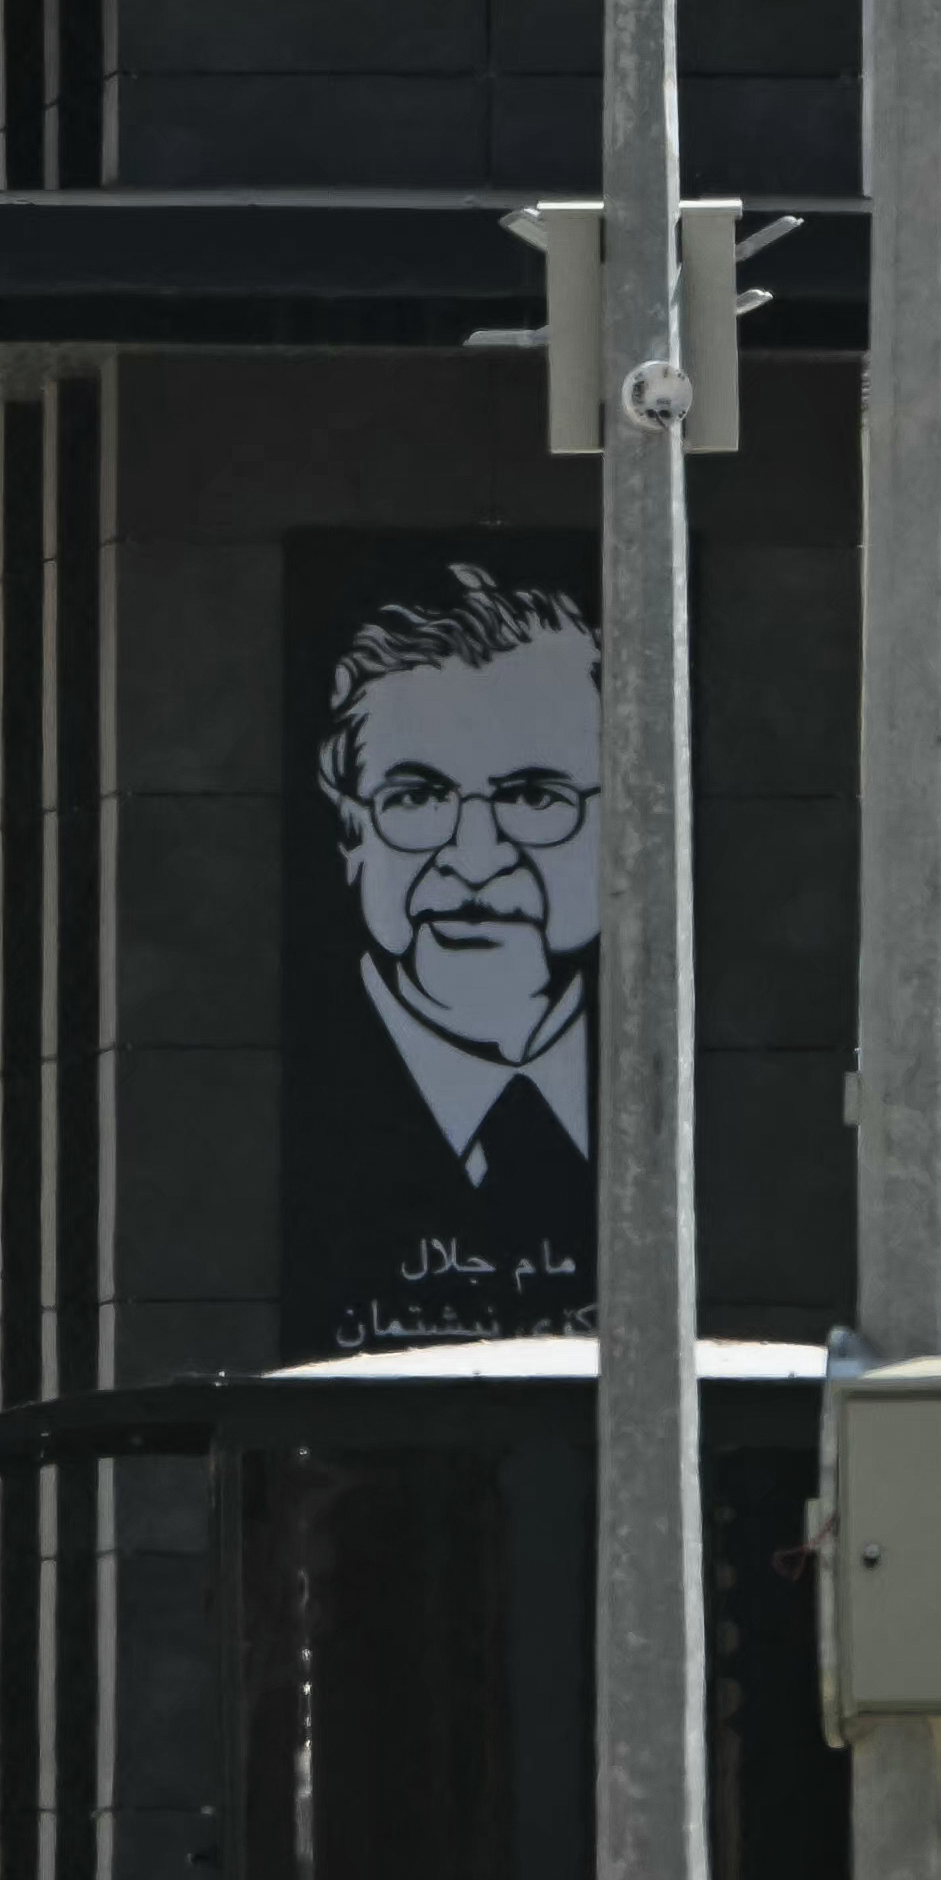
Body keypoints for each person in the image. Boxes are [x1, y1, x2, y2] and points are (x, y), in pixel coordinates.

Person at [278, 550, 605, 1350]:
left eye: (535, 798)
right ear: (350, 827)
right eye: (416, 798)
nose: (475, 855)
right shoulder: (294, 1083)